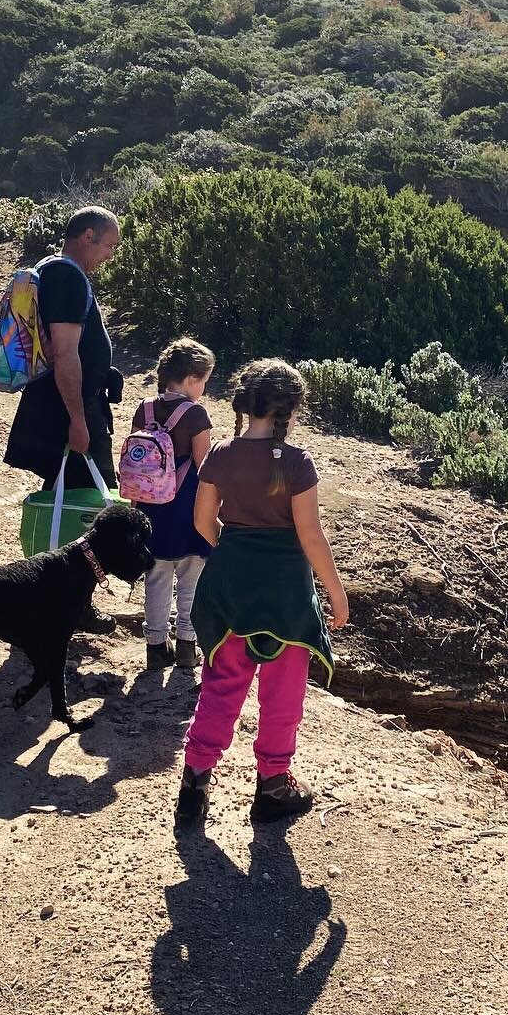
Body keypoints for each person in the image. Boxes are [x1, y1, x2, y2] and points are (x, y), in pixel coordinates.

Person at [174, 359, 349, 828]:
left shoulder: (222, 455)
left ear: (245, 403)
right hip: (286, 595)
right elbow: (310, 535)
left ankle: (194, 783)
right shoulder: (297, 463)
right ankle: (273, 784)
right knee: (283, 693)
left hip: (229, 587)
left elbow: (201, 522)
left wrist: (230, 550)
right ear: (291, 410)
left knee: (221, 686)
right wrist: (336, 592)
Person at [3, 206, 123, 630]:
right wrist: (79, 421)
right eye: (108, 244)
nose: (110, 254)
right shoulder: (68, 276)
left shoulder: (47, 269)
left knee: (67, 498)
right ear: (87, 235)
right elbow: (66, 354)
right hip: (67, 410)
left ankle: (54, 595)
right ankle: (66, 602)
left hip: (50, 404)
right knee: (86, 507)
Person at [133, 338, 216, 673]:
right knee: (191, 575)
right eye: (205, 381)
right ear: (192, 379)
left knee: (156, 577)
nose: (204, 389)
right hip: (188, 507)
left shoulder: (145, 409)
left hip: (151, 508)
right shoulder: (196, 415)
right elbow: (205, 468)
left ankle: (156, 647)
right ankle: (186, 644)